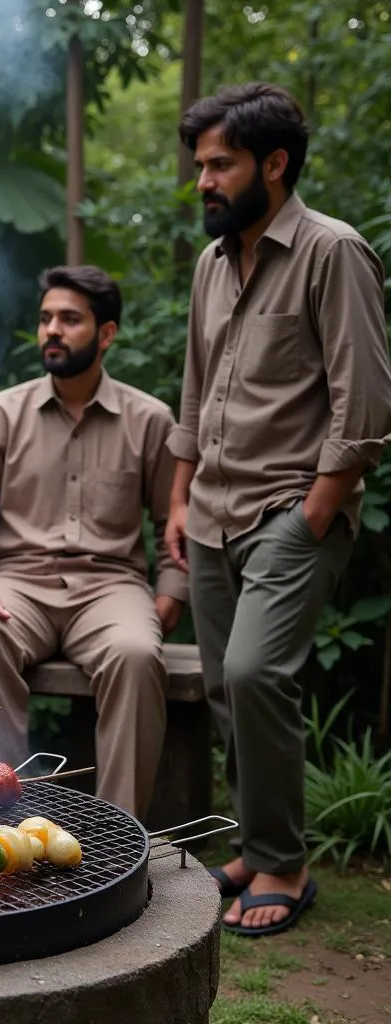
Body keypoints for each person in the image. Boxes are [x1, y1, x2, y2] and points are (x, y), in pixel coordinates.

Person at [166, 82, 391, 937]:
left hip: (288, 512)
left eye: (220, 164)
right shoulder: (211, 262)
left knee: (258, 674)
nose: (204, 181)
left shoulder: (334, 253)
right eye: (200, 166)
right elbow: (194, 390)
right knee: (230, 691)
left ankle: (288, 865)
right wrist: (181, 500)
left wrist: (318, 509)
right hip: (214, 510)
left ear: (275, 164)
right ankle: (257, 846)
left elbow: (366, 400)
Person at [0, 265, 188, 820]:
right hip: (19, 582)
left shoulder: (150, 419)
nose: (52, 330)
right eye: (47, 318)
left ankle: (121, 838)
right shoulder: (0, 414)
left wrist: (170, 593)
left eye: (70, 319)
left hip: (111, 586)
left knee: (137, 654)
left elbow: (177, 519)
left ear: (106, 334)